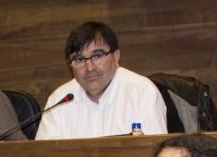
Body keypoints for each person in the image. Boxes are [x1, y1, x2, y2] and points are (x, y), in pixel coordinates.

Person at [36, 21, 166, 140]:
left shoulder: (142, 92)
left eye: (97, 56)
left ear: (116, 57)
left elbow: (155, 154)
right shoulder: (59, 100)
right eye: (79, 59)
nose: (89, 67)